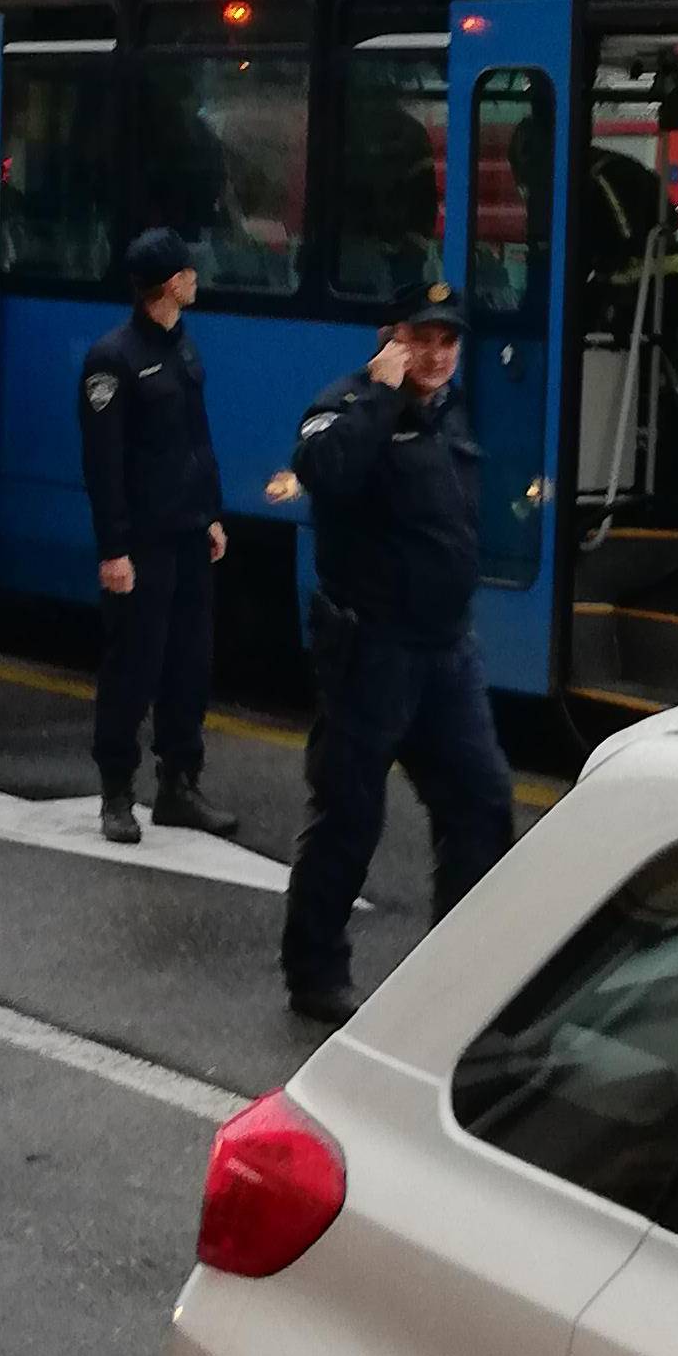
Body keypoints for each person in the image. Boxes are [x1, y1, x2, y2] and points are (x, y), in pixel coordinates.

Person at [276, 277, 515, 1026]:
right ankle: (315, 973)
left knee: (482, 803)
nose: (437, 354)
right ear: (390, 340)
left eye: (448, 340)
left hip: (446, 653)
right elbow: (325, 470)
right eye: (420, 338)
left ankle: (458, 970)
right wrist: (381, 397)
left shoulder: (450, 415)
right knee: (350, 813)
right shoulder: (345, 405)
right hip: (371, 650)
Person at [78, 225, 239, 845]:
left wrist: (212, 514)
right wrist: (113, 549)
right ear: (170, 284)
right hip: (142, 544)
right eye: (188, 272)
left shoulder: (183, 347)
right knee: (133, 666)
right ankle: (117, 793)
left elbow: (197, 441)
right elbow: (104, 462)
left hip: (190, 535)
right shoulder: (112, 360)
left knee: (189, 663)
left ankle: (179, 785)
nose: (196, 278)